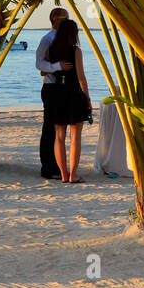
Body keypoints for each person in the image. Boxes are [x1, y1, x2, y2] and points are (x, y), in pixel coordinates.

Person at [46, 15, 92, 183]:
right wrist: (87, 97)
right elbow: (81, 76)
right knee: (75, 136)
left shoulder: (51, 50)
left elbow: (44, 71)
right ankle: (73, 174)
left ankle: (63, 174)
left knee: (59, 136)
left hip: (57, 93)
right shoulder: (75, 50)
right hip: (73, 93)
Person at [36, 7, 71, 178]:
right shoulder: (47, 39)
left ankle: (58, 165)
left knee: (60, 128)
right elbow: (39, 65)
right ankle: (48, 167)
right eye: (64, 17)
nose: (67, 20)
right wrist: (57, 67)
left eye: (68, 17)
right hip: (51, 88)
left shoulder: (66, 39)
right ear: (54, 19)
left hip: (64, 88)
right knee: (50, 128)